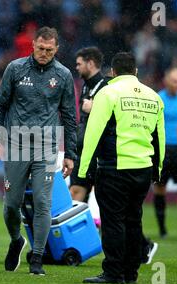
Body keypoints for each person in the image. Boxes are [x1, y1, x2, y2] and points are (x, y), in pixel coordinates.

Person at [0, 27, 77, 275]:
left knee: (43, 202)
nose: (44, 53)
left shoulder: (64, 75)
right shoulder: (15, 69)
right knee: (11, 204)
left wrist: (70, 153)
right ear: (33, 46)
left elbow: (70, 117)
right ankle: (17, 240)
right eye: (40, 48)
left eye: (49, 50)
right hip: (16, 146)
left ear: (56, 49)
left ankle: (36, 257)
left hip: (47, 148)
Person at [80, 52, 165, 284]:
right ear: (136, 72)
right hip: (143, 168)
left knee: (113, 221)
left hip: (114, 167)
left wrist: (85, 168)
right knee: (133, 220)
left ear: (113, 72)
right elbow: (159, 137)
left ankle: (113, 273)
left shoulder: (107, 93)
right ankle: (131, 273)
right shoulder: (154, 97)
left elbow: (93, 133)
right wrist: (157, 168)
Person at [153, 68, 177, 238]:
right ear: (166, 81)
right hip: (163, 149)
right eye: (175, 81)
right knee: (160, 188)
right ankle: (162, 230)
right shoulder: (157, 98)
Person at [69, 47, 108, 208]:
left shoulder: (107, 87)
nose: (76, 67)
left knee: (104, 199)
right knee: (75, 193)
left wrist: (96, 108)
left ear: (90, 63)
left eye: (79, 64)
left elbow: (115, 117)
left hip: (100, 153)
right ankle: (78, 232)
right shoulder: (85, 87)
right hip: (83, 151)